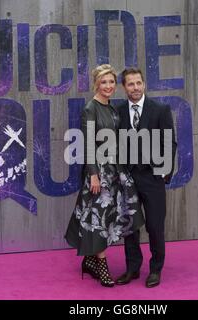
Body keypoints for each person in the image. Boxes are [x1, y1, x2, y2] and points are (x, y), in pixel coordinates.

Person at [65, 64, 145, 287]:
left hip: (116, 170)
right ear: (96, 84)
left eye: (111, 82)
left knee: (114, 216)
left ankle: (90, 261)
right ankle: (101, 265)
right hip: (99, 172)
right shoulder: (90, 108)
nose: (108, 86)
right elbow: (88, 144)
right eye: (104, 82)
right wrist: (93, 175)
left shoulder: (110, 107)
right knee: (98, 220)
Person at [116, 67, 177, 288]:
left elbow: (169, 142)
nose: (135, 88)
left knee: (154, 225)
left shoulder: (160, 109)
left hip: (152, 178)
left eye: (138, 83)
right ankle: (132, 268)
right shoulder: (118, 111)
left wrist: (163, 171)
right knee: (130, 226)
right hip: (128, 179)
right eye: (130, 84)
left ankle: (155, 269)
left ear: (144, 84)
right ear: (124, 87)